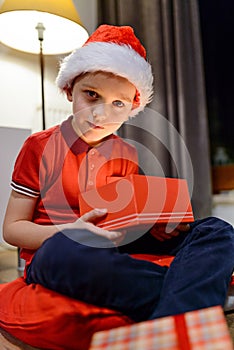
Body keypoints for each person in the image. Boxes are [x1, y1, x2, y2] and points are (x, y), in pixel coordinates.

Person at [3, 24, 234, 322]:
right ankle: (198, 296)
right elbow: (12, 229)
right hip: (60, 249)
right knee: (65, 255)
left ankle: (184, 298)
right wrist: (68, 232)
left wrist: (156, 226)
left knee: (216, 229)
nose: (101, 114)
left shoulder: (127, 152)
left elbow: (125, 220)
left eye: (118, 104)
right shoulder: (38, 147)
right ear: (69, 90)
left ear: (131, 109)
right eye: (91, 95)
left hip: (116, 246)